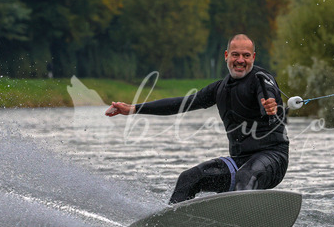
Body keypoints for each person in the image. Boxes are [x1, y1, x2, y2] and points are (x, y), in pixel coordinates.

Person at [105, 34, 289, 204]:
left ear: (253, 58)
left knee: (246, 177)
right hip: (238, 162)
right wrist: (134, 109)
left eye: (246, 55)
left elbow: (268, 96)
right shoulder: (219, 89)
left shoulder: (261, 78)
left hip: (273, 158)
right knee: (189, 177)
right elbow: (181, 103)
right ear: (226, 55)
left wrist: (269, 107)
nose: (240, 60)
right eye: (235, 54)